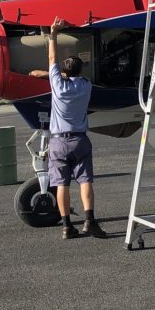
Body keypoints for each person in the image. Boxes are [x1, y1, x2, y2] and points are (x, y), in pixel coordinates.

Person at [29, 17, 104, 240]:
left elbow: (52, 58)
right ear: (81, 71)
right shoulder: (86, 85)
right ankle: (90, 221)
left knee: (61, 184)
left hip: (59, 141)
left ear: (63, 71)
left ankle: (66, 226)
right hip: (80, 139)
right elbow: (67, 73)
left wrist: (52, 33)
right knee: (86, 181)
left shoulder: (57, 85)